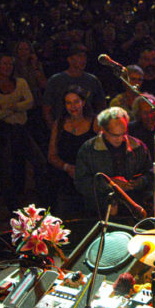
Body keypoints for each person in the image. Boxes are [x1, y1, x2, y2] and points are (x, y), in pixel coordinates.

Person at [0, 52, 46, 210]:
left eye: (10, 64)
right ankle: (11, 205)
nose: (7, 67)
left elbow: (30, 102)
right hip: (4, 131)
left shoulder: (21, 82)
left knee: (38, 161)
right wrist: (18, 105)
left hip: (22, 129)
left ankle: (40, 197)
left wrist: (10, 107)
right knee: (7, 167)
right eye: (4, 64)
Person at [74, 107, 153, 216]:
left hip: (134, 205)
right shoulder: (89, 149)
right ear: (103, 130)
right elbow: (81, 183)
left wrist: (138, 182)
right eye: (115, 135)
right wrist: (110, 184)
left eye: (123, 133)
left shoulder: (138, 146)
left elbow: (150, 173)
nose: (120, 139)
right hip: (100, 208)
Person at [47, 87, 97, 218]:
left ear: (83, 102)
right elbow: (52, 155)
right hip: (65, 181)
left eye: (76, 102)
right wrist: (67, 167)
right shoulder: (59, 124)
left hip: (89, 181)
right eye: (68, 103)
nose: (72, 106)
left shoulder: (96, 123)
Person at [42, 44, 106, 128]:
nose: (83, 60)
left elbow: (101, 105)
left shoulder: (92, 80)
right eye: (79, 56)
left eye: (84, 56)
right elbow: (47, 109)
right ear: (69, 59)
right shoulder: (56, 81)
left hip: (88, 129)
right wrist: (54, 130)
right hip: (63, 129)